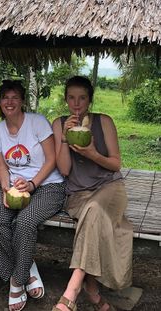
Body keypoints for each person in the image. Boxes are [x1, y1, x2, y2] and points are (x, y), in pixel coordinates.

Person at [0, 80, 66, 311]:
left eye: (14, 97)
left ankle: (17, 281)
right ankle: (26, 267)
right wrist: (5, 187)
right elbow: (1, 166)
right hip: (14, 188)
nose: (9, 102)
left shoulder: (37, 122)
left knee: (25, 221)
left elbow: (52, 161)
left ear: (22, 101)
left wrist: (31, 183)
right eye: (5, 98)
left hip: (48, 185)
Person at [51, 76, 133, 311]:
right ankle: (92, 289)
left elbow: (115, 164)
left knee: (94, 209)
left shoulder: (104, 121)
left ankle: (72, 290)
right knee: (91, 214)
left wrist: (92, 153)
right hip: (78, 194)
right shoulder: (59, 124)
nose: (76, 104)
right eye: (71, 98)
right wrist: (65, 139)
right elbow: (65, 169)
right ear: (66, 99)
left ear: (90, 100)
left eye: (82, 98)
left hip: (110, 190)